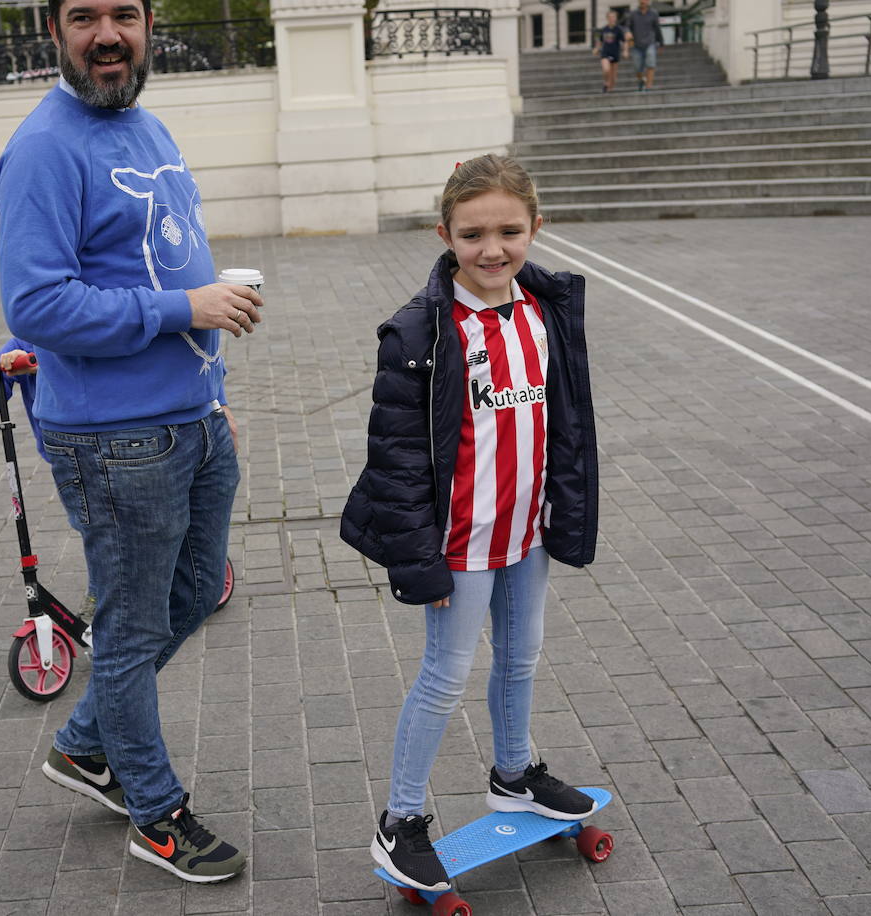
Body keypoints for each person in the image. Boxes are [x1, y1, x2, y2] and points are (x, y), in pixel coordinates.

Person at [0, 0, 262, 885]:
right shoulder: (43, 148)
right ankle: (154, 811)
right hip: (116, 442)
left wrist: (210, 385)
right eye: (84, 16)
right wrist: (185, 309)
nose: (107, 34)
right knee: (133, 626)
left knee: (191, 594)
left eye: (124, 14)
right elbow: (37, 305)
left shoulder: (146, 125)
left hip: (193, 419)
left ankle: (84, 748)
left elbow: (155, 253)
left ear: (147, 25)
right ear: (53, 31)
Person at [340, 154, 600, 893]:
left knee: (521, 659)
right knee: (443, 679)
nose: (493, 249)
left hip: (528, 533)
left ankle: (514, 774)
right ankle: (401, 821)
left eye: (510, 231)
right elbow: (394, 461)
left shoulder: (546, 311)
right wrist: (421, 562)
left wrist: (565, 516)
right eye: (474, 233)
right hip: (459, 545)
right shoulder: (420, 333)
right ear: (445, 233)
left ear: (536, 228)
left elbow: (565, 426)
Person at [626, 0, 663, 92]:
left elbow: (657, 29)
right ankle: (641, 80)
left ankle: (648, 87)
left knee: (651, 63)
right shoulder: (632, 14)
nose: (643, 1)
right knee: (637, 68)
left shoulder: (654, 13)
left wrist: (661, 43)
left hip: (650, 43)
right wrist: (627, 32)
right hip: (636, 45)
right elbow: (627, 26)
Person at [594, 10, 626, 93]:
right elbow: (599, 41)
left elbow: (624, 41)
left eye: (613, 17)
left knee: (613, 77)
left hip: (615, 53)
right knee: (606, 69)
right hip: (605, 53)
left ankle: (609, 89)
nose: (611, 19)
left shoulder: (619, 29)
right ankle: (606, 83)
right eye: (610, 17)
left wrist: (625, 50)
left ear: (616, 18)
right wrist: (597, 48)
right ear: (607, 18)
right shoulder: (604, 29)